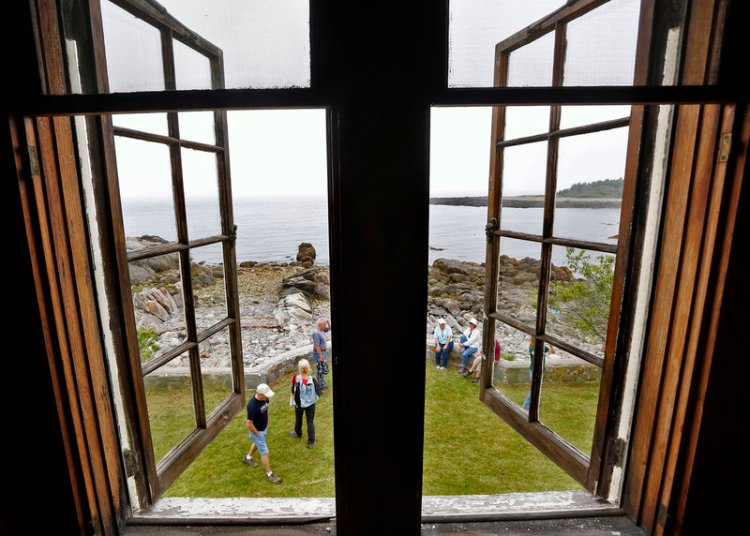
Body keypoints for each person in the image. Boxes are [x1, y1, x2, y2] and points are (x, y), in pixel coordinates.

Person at [243, 383, 282, 484]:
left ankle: (248, 458)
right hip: (257, 432)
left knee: (257, 444)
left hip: (263, 429)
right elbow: (249, 424)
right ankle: (269, 475)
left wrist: (267, 420)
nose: (267, 397)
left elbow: (266, 408)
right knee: (265, 452)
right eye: (266, 395)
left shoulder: (265, 399)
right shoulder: (252, 406)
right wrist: (258, 434)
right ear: (259, 394)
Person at [289, 359, 321, 448]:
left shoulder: (295, 378)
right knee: (310, 421)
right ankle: (311, 441)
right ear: (308, 368)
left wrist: (293, 402)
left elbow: (293, 391)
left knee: (298, 418)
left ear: (299, 368)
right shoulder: (313, 378)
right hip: (311, 403)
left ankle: (297, 433)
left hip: (299, 404)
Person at [522, 338, 554, 410]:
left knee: (537, 388)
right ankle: (526, 405)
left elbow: (553, 352)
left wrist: (551, 346)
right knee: (534, 388)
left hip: (541, 371)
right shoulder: (532, 347)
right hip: (534, 371)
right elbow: (535, 356)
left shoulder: (542, 347)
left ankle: (534, 404)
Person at [312, 318, 331, 389]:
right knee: (319, 370)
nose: (325, 326)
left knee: (321, 369)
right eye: (324, 325)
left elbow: (329, 329)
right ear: (319, 324)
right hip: (318, 353)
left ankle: (321, 384)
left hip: (322, 352)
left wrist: (328, 322)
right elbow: (316, 346)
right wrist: (320, 356)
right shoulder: (316, 333)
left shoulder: (321, 329)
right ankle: (320, 386)